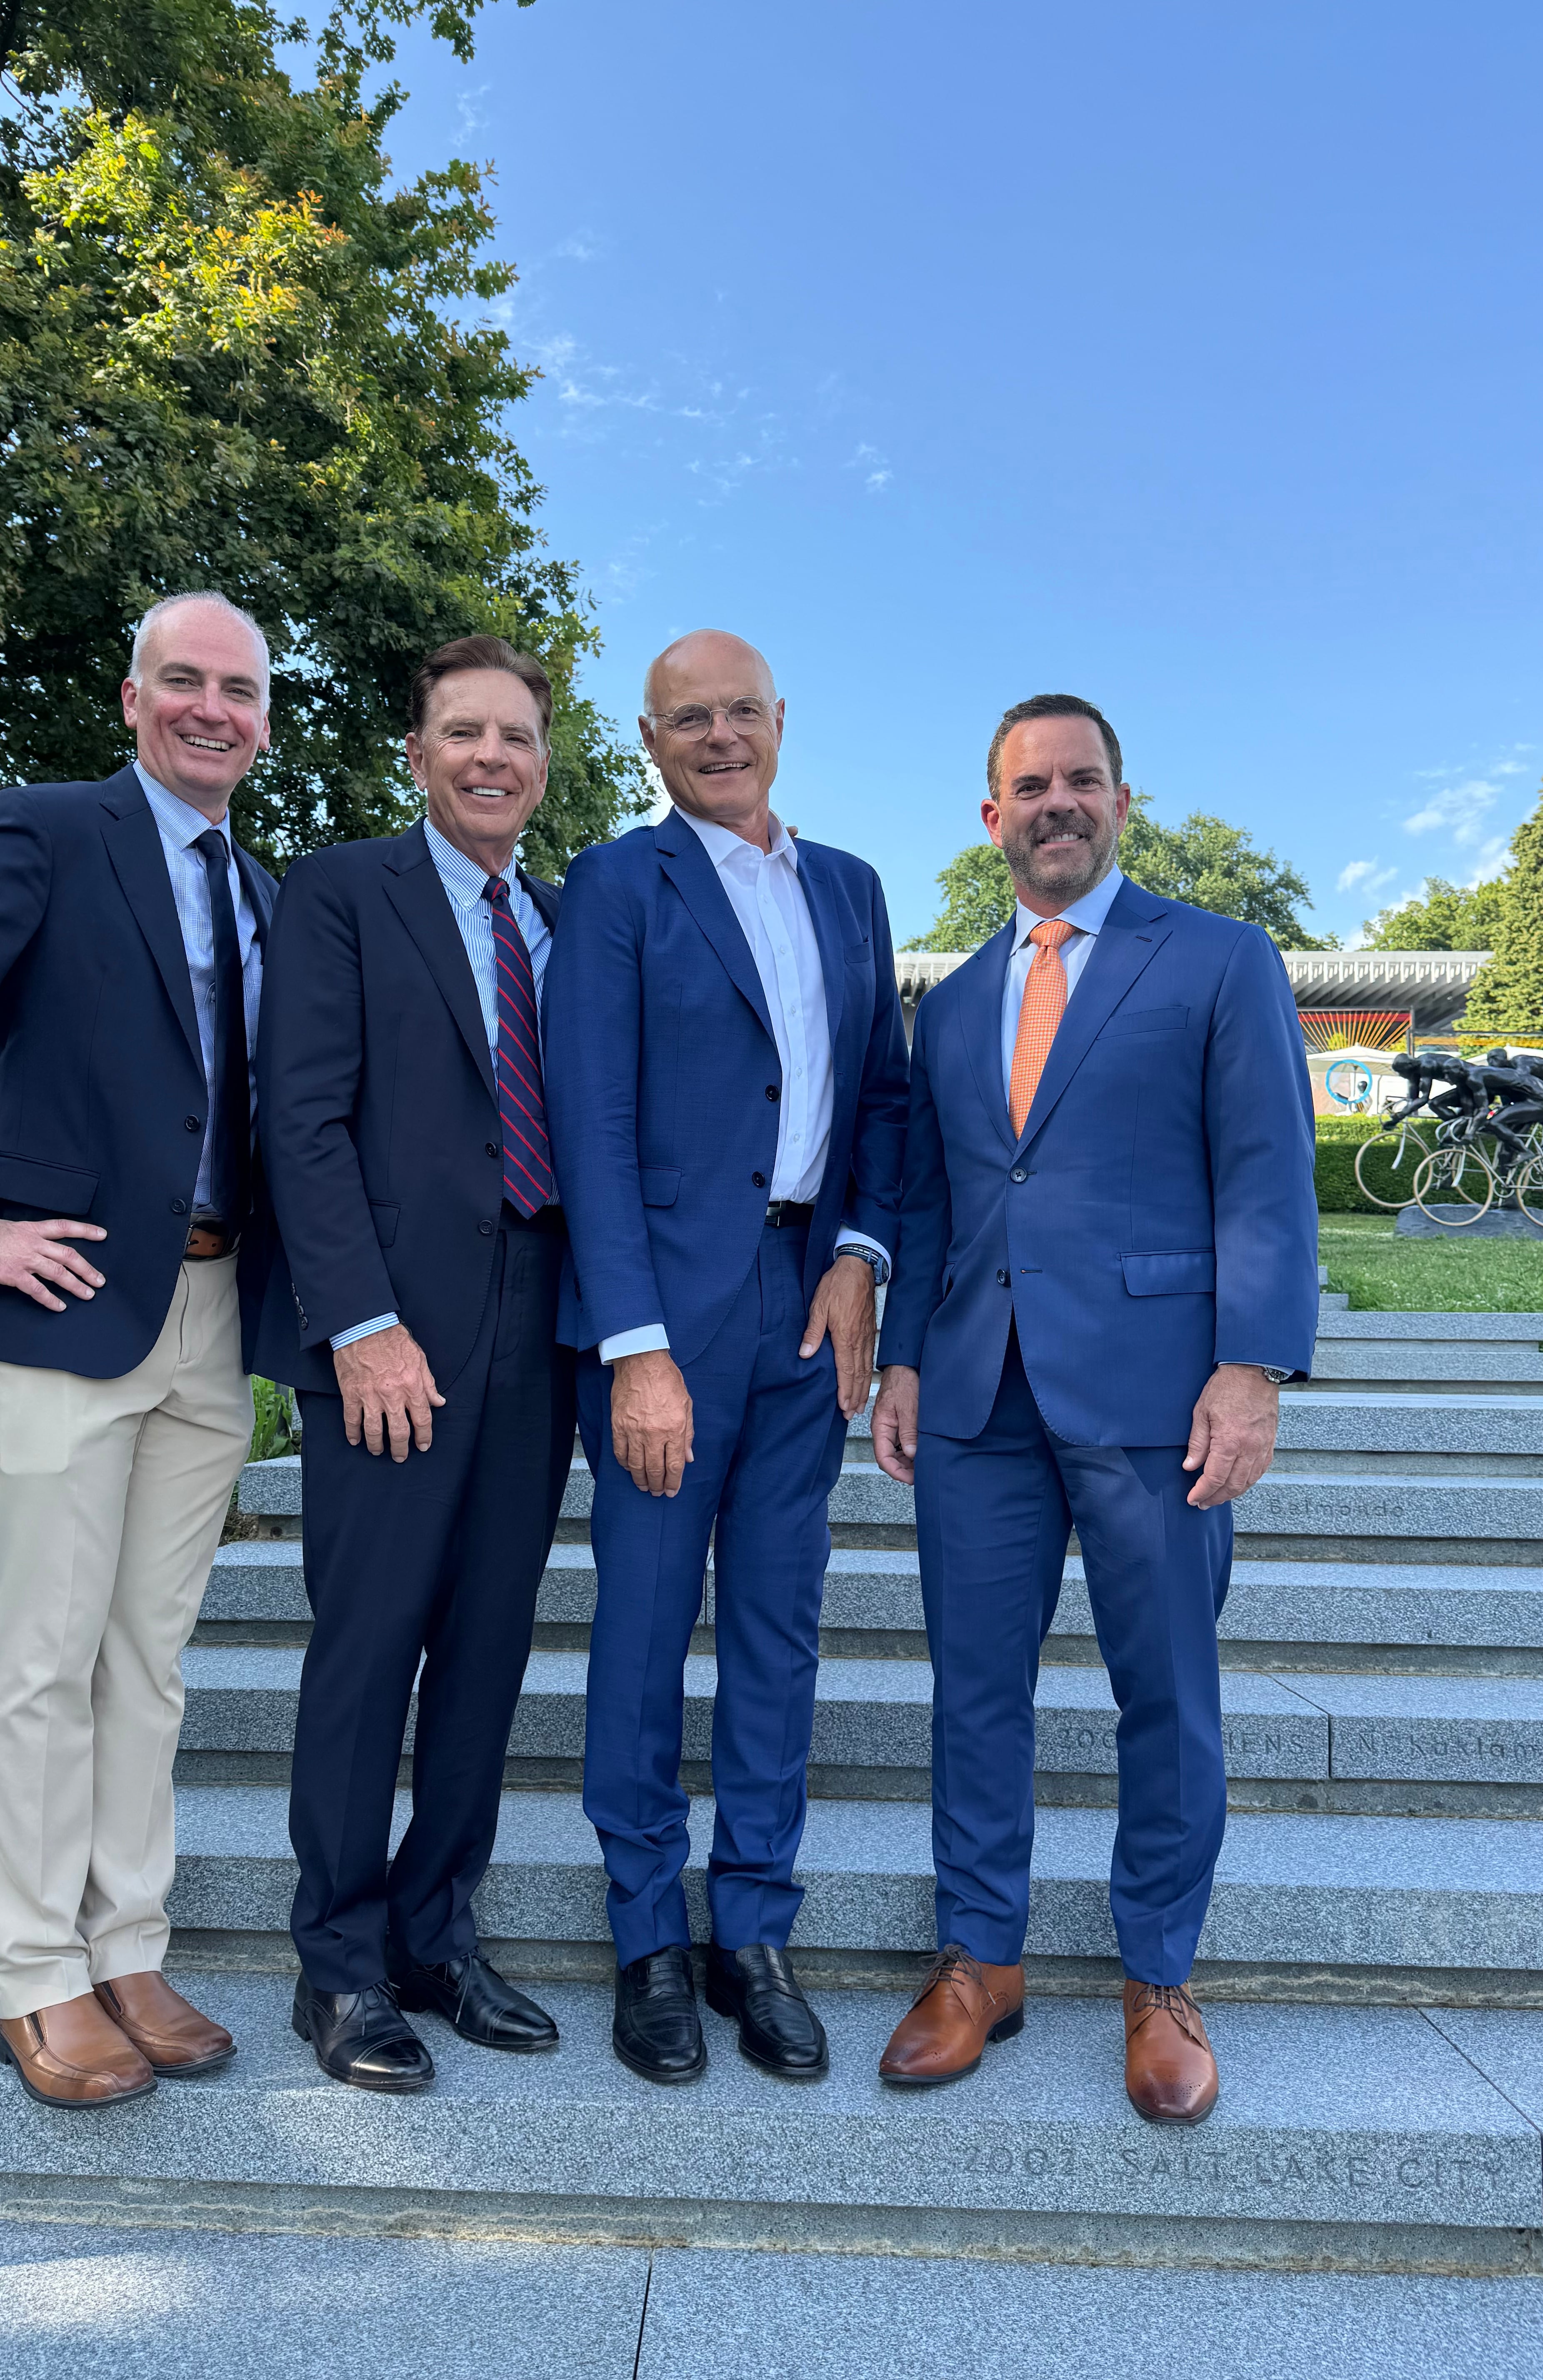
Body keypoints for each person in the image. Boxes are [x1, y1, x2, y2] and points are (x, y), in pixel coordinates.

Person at [0, 592, 278, 2107]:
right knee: (40, 1657)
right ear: (135, 695)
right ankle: (29, 1973)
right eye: (185, 683)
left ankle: (126, 1942)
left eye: (239, 689)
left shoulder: (260, 889)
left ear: (264, 717)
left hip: (213, 1313)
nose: (212, 709)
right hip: (65, 1298)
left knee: (146, 1660)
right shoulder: (50, 829)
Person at [869, 693, 1317, 2121]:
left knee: (1166, 1695)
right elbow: (939, 1193)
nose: (1055, 803)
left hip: (1153, 1395)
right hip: (975, 1394)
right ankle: (978, 1962)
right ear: (987, 814)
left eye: (1081, 781)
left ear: (1121, 800)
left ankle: (1158, 1977)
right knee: (973, 1694)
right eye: (1027, 785)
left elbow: (1264, 1173)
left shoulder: (1220, 959)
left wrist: (1250, 1368)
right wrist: (899, 1360)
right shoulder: (950, 999)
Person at [542, 630, 909, 2085]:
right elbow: (590, 1125)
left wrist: (861, 1261)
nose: (717, 737)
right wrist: (635, 1346)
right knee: (640, 1628)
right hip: (663, 1322)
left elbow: (883, 1101)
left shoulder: (852, 890)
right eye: (685, 720)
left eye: (739, 712)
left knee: (777, 1625)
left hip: (805, 1306)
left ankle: (749, 1929)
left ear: (780, 721)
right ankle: (645, 1935)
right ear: (650, 740)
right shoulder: (617, 886)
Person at [254, 634, 573, 2093]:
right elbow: (301, 1122)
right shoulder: (339, 894)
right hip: (394, 1333)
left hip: (539, 1325)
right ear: (420, 752)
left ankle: (438, 1933)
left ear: (545, 760)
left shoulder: (565, 921)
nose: (491, 756)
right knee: (370, 1644)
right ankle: (338, 1964)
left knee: (487, 1650)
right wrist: (361, 1323)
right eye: (464, 732)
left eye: (515, 735)